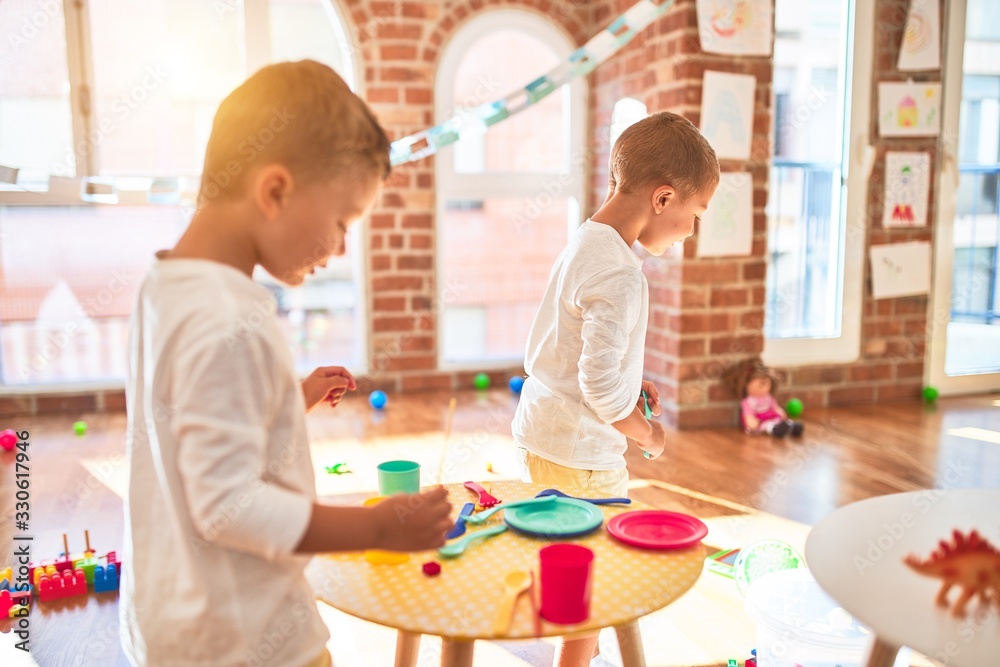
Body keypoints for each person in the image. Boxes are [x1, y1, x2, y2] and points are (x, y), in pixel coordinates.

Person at [122, 60, 452, 667]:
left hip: (175, 622)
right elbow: (228, 506)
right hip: (248, 638)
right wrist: (376, 529)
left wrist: (286, 398)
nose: (342, 246)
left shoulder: (167, 284)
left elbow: (188, 418)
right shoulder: (229, 317)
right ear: (274, 191)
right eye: (341, 222)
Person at [511, 111, 719, 667]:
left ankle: (578, 648)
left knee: (566, 550)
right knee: (596, 577)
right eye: (694, 214)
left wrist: (629, 377)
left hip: (540, 433)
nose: (691, 231)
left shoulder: (587, 240)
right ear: (663, 198)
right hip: (582, 453)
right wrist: (647, 433)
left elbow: (577, 345)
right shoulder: (622, 275)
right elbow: (602, 394)